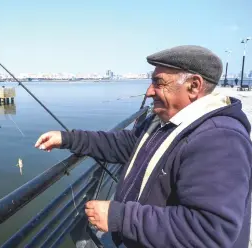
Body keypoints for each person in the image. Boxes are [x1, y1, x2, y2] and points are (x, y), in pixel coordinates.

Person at [35, 45, 252, 248]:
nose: (149, 92)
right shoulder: (166, 121)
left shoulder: (219, 140)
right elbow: (126, 145)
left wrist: (119, 217)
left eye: (159, 83)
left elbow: (210, 230)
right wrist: (68, 139)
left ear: (193, 86)